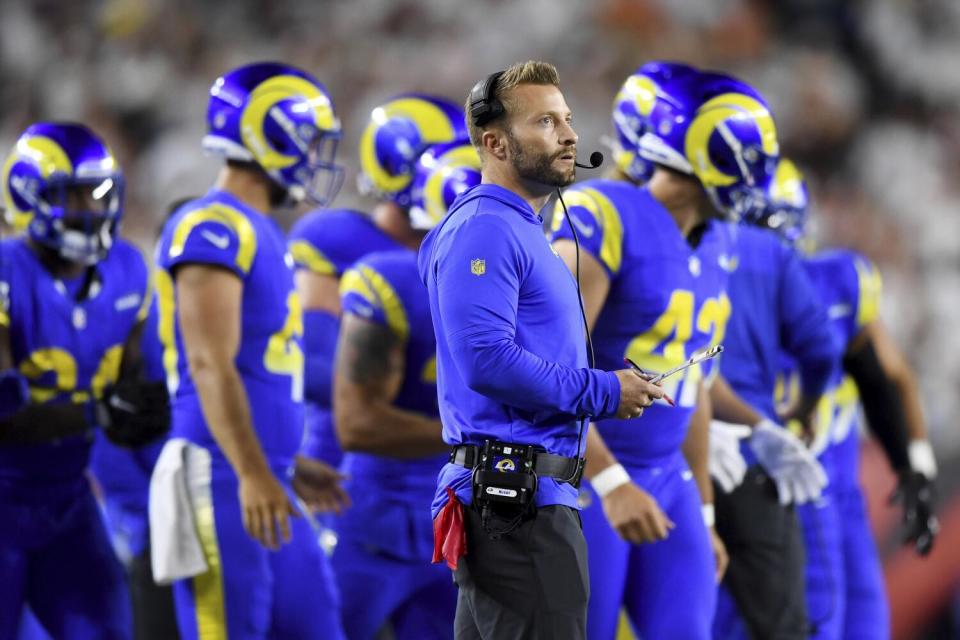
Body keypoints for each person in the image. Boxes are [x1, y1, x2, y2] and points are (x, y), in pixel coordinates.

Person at [418, 60, 663, 639]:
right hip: (515, 507)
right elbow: (487, 360)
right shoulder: (486, 228)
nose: (570, 135)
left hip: (516, 500)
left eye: (569, 119)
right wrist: (604, 390)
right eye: (546, 121)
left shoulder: (520, 227)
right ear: (495, 142)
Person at [152, 61, 347, 639]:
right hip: (219, 472)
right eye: (307, 140)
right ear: (268, 134)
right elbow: (210, 363)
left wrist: (282, 464)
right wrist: (253, 468)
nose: (314, 156)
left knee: (316, 624)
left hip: (261, 473)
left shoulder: (261, 229)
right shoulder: (212, 224)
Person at [0, 122, 169, 638]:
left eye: (99, 195)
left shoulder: (127, 269)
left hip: (68, 500)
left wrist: (142, 411)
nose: (91, 210)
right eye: (73, 196)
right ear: (29, 197)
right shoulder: (8, 271)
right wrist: (98, 411)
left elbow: (132, 390)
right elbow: (3, 407)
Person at [757, 158, 938, 639]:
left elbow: (891, 377)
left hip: (842, 499)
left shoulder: (839, 282)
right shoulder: (709, 305)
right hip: (767, 509)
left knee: (865, 627)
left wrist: (913, 462)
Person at [331, 139, 480, 639]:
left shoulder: (530, 293)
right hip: (375, 523)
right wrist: (476, 431)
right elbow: (357, 424)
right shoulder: (392, 281)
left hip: (463, 525)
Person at [288, 93, 467, 473]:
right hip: (344, 468)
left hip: (444, 466)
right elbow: (315, 365)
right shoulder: (334, 238)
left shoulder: (467, 254)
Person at [708, 152, 844, 637]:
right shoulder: (773, 256)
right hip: (752, 453)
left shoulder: (666, 239)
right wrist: (803, 410)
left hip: (673, 455)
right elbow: (822, 351)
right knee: (781, 626)